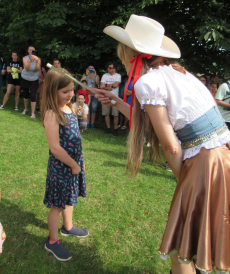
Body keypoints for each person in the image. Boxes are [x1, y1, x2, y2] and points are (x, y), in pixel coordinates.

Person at [95, 14, 230, 274]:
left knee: (181, 245)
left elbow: (170, 146)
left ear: (129, 53)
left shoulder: (148, 83)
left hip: (205, 163)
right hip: (222, 157)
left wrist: (184, 184)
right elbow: (157, 125)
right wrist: (117, 102)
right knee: (202, 232)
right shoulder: (180, 74)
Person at [40, 68, 88, 262]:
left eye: (71, 90)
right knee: (57, 205)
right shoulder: (52, 113)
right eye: (65, 91)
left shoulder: (69, 107)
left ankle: (67, 227)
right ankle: (52, 241)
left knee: (70, 196)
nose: (70, 95)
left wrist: (79, 161)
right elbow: (55, 148)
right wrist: (73, 165)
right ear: (53, 91)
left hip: (74, 164)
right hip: (62, 167)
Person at [100, 63, 121, 136]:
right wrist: (108, 87)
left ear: (114, 69)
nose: (108, 68)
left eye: (110, 68)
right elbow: (101, 86)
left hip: (115, 97)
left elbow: (116, 85)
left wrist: (106, 85)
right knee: (106, 113)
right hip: (106, 96)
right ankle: (108, 128)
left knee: (115, 114)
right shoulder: (104, 76)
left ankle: (115, 129)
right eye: (108, 67)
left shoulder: (118, 75)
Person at [21, 46, 41, 118]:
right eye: (30, 50)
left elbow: (37, 69)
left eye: (33, 50)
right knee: (25, 94)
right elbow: (27, 68)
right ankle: (25, 109)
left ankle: (33, 113)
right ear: (28, 51)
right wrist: (30, 61)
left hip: (34, 79)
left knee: (33, 95)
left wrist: (37, 61)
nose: (31, 51)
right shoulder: (24, 58)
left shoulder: (38, 59)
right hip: (25, 78)